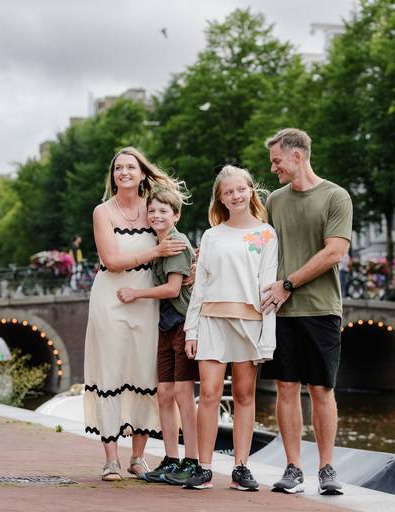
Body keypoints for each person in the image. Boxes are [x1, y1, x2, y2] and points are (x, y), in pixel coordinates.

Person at [83, 147, 187, 482]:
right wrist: (155, 250)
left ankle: (138, 456)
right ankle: (111, 458)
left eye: (131, 167)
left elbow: (175, 246)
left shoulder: (153, 210)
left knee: (145, 374)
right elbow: (111, 261)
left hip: (146, 300)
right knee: (111, 371)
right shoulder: (103, 212)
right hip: (110, 299)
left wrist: (190, 268)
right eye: (118, 168)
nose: (124, 172)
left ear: (142, 174)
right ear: (113, 176)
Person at [260, 128, 352, 496]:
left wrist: (287, 284)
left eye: (277, 160)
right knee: (285, 387)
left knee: (321, 389)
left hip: (321, 309)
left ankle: (327, 469)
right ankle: (293, 468)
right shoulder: (274, 202)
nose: (273, 168)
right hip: (280, 311)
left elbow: (334, 252)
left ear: (298, 156)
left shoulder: (335, 196)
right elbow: (258, 247)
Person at [181, 165, 278, 491]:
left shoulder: (266, 234)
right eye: (228, 192)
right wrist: (190, 331)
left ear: (251, 190)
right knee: (208, 393)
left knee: (243, 394)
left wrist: (268, 337)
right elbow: (201, 286)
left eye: (241, 189)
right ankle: (204, 467)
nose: (236, 196)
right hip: (211, 321)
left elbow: (267, 289)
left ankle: (241, 467)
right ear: (220, 199)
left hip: (249, 323)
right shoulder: (211, 236)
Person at [115, 187, 201, 484]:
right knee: (163, 393)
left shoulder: (176, 242)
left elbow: (173, 290)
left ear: (175, 215)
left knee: (182, 394)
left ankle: (192, 461)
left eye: (163, 211)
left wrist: (136, 293)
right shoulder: (159, 243)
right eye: (152, 211)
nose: (156, 215)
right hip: (165, 327)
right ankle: (171, 458)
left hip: (181, 324)